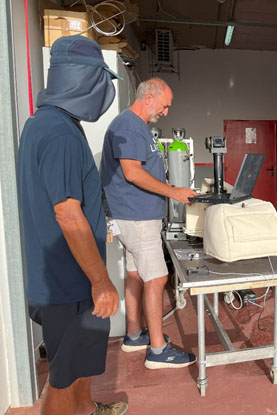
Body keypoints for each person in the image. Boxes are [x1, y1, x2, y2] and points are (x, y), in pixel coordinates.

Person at [17, 36, 128, 415]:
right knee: (62, 379)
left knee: (80, 364)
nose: (104, 91)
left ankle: (88, 410)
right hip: (70, 283)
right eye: (101, 80)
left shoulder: (48, 124)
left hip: (68, 278)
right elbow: (67, 213)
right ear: (83, 79)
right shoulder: (61, 134)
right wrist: (100, 281)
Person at [100, 78, 198, 369]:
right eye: (165, 106)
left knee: (136, 275)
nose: (166, 112)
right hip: (137, 217)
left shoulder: (136, 126)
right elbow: (132, 173)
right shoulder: (129, 126)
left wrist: (167, 186)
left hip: (134, 216)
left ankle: (134, 335)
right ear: (149, 98)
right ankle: (157, 350)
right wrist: (174, 192)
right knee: (157, 278)